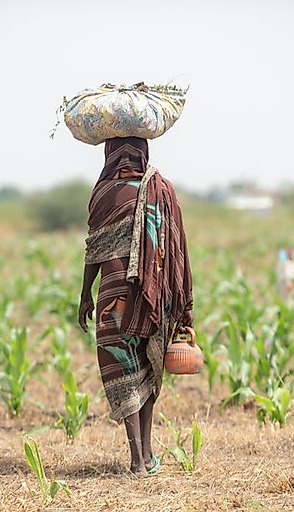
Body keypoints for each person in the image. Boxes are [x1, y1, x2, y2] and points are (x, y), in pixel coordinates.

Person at [77, 136, 193, 476]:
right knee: (147, 368)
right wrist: (181, 302)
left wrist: (85, 295)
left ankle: (136, 459)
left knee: (125, 373)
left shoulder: (103, 193)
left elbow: (93, 251)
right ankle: (149, 454)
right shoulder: (161, 188)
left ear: (109, 153)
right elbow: (176, 247)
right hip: (153, 297)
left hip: (115, 298)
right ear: (144, 150)